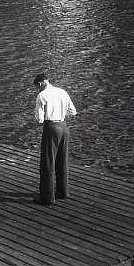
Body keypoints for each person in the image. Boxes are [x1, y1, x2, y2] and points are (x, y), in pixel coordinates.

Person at [33, 72, 77, 205]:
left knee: (47, 162)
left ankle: (47, 198)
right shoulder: (62, 92)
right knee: (62, 160)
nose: (37, 90)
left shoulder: (42, 95)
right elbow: (73, 111)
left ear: (40, 84)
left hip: (51, 128)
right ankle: (62, 192)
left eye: (37, 87)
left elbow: (39, 119)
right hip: (64, 127)